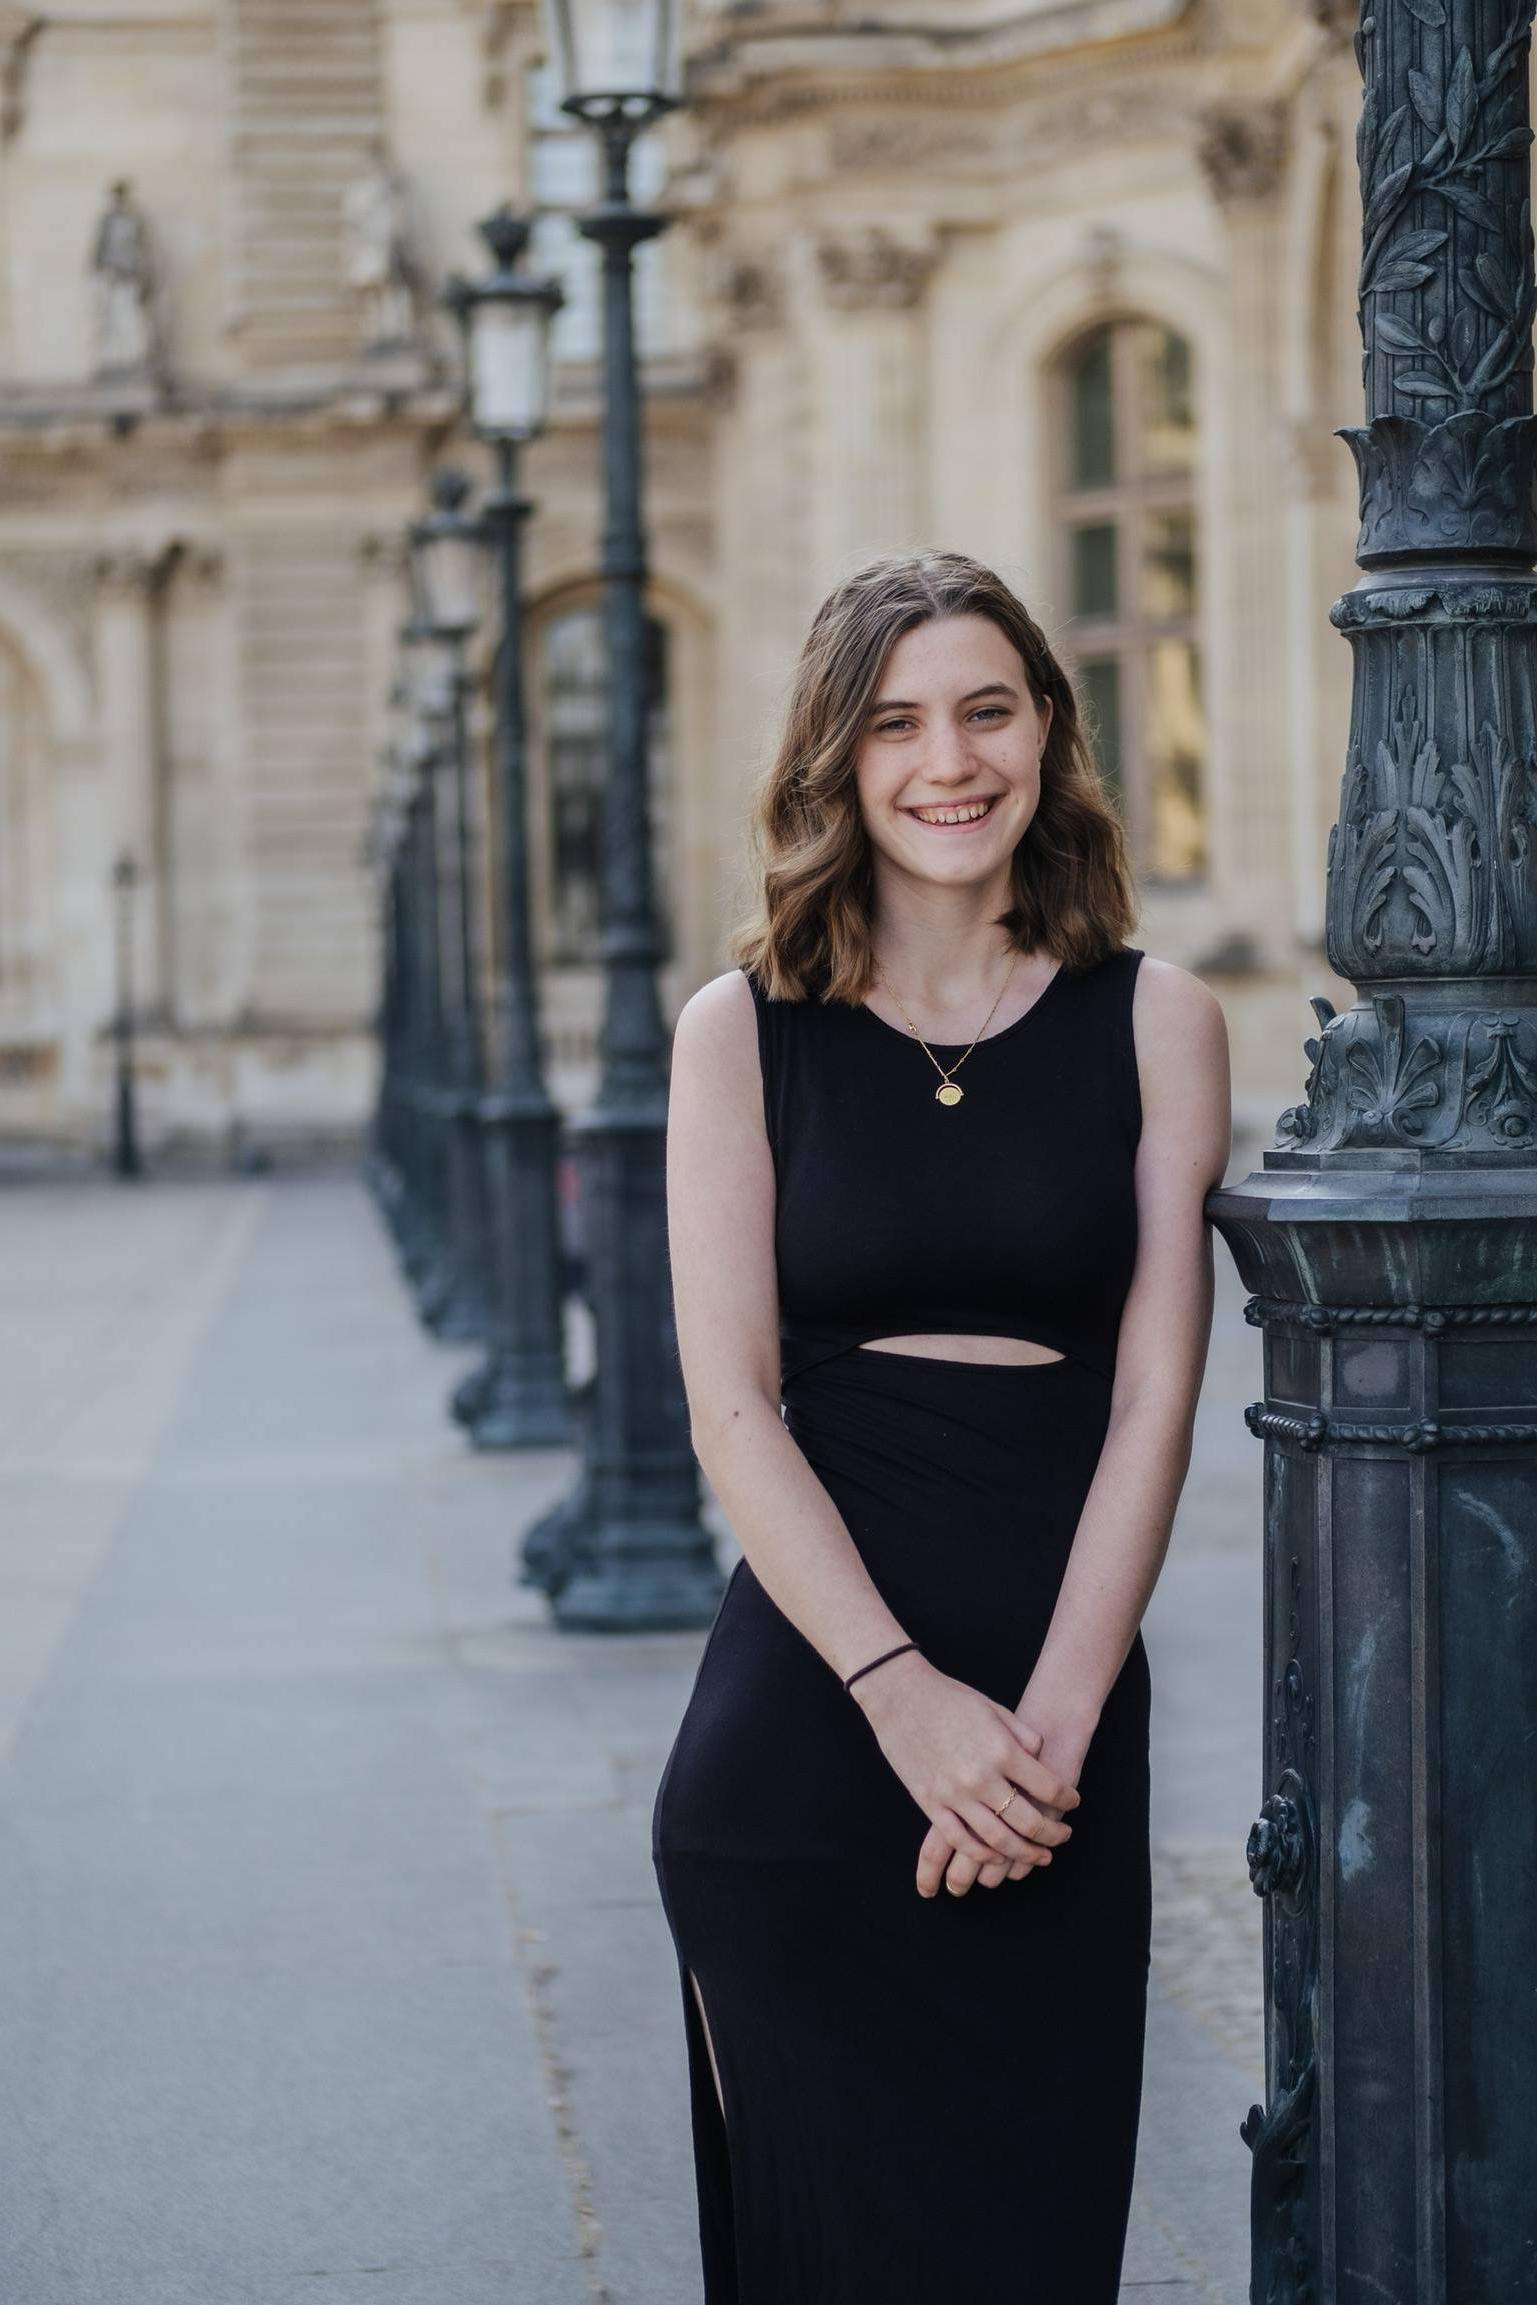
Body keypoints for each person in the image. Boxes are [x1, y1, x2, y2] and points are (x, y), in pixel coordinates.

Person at [652, 548, 1231, 2302]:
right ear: (835, 764)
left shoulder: (1159, 1017)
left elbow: (1153, 1393)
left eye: (986, 710)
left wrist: (1040, 1736)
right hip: (812, 1732)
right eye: (894, 724)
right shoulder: (738, 1032)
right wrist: (902, 1701)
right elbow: (729, 1405)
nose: (946, 760)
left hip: (1051, 1735)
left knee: (1027, 2234)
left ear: (1050, 733)